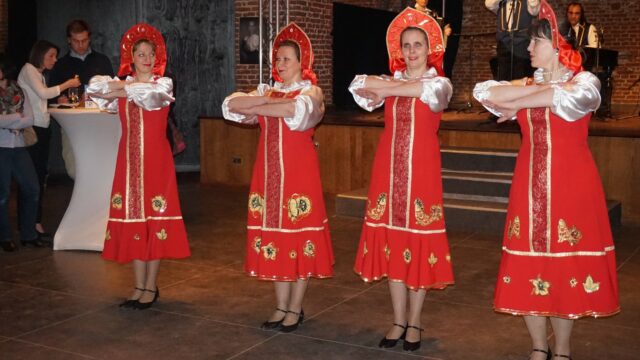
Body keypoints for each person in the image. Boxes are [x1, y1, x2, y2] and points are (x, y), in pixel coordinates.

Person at [473, 1, 619, 359]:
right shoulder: (529, 80)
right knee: (531, 264)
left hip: (572, 185)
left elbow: (565, 100)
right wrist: (527, 95)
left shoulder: (586, 82)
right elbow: (484, 93)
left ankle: (564, 347)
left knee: (564, 265)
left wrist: (520, 100)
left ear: (557, 45)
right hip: (528, 184)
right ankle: (539, 347)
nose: (527, 49)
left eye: (534, 42)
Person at [348, 7, 454, 352]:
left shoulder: (439, 84)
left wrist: (390, 86)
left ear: (430, 49)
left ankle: (415, 322)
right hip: (387, 171)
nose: (411, 51)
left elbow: (424, 93)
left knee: (418, 244)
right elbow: (359, 85)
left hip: (422, 173)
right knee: (393, 244)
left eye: (418, 45)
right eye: (406, 45)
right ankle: (397, 320)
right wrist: (390, 85)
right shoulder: (395, 81)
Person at [222, 23, 333, 333]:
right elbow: (231, 105)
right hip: (268, 175)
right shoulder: (266, 89)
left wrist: (263, 105)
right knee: (276, 239)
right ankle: (281, 306)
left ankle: (295, 308)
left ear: (301, 63)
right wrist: (271, 103)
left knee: (298, 237)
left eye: (286, 59)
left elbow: (299, 113)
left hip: (299, 176)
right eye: (278, 59)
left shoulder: (312, 91)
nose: (280, 65)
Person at [87, 23, 190, 309]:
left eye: (149, 53)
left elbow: (147, 95)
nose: (145, 58)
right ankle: (138, 286)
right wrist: (123, 87)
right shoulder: (131, 83)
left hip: (156, 162)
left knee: (153, 221)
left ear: (157, 57)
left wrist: (121, 88)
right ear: (131, 58)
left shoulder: (163, 84)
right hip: (129, 163)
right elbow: (95, 89)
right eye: (139, 53)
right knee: (134, 220)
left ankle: (151, 286)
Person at [17, 41, 81, 240]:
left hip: (41, 128)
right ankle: (30, 226)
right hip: (33, 129)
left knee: (38, 177)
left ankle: (34, 224)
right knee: (32, 179)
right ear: (41, 55)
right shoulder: (29, 70)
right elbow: (42, 94)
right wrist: (68, 85)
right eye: (51, 56)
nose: (54, 60)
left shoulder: (37, 73)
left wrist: (55, 101)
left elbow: (40, 100)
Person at [49, 19, 115, 179]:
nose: (81, 45)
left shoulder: (102, 60)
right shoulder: (60, 64)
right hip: (72, 124)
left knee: (101, 166)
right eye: (76, 41)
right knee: (74, 169)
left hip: (99, 123)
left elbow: (114, 90)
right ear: (68, 40)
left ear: (89, 38)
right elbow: (51, 94)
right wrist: (60, 99)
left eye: (84, 40)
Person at [0, 55, 43, 251]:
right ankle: (4, 237)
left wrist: (9, 119)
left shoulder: (19, 90)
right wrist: (17, 117)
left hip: (18, 145)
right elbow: (19, 118)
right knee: (2, 194)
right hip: (1, 147)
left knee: (32, 188)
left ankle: (29, 234)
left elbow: (30, 119)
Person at [485, 0, 541, 81]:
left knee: (521, 74)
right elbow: (488, 4)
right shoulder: (501, 2)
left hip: (522, 42)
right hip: (504, 42)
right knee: (503, 75)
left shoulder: (528, 2)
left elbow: (534, 9)